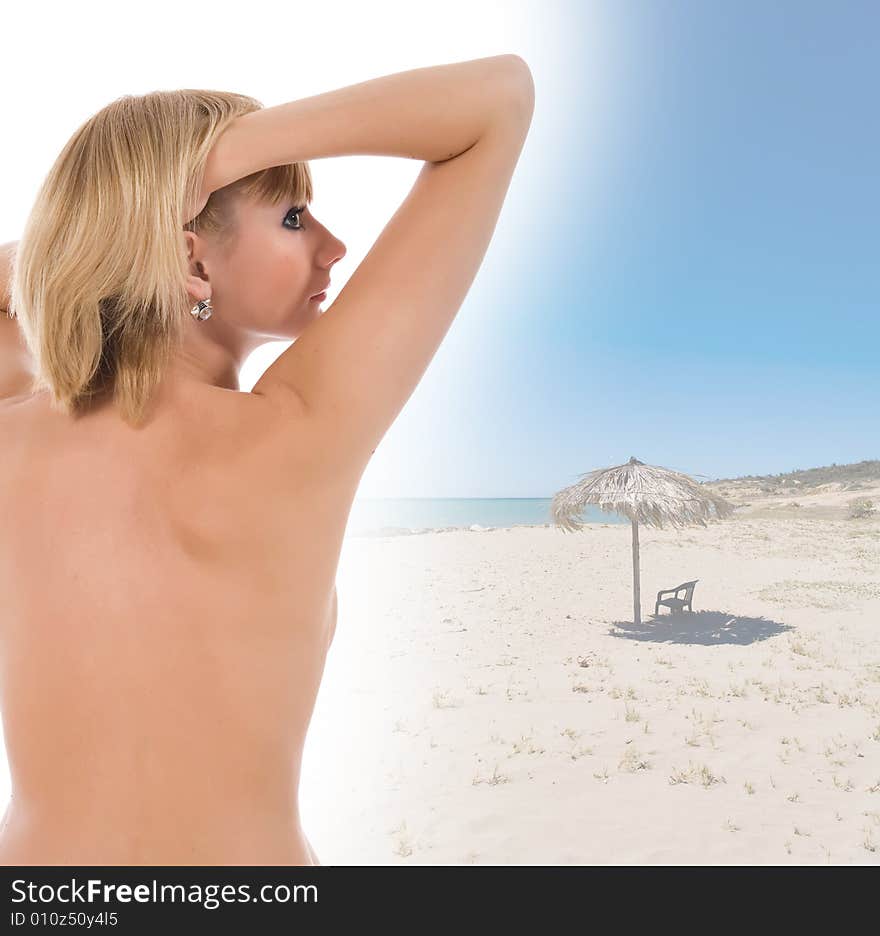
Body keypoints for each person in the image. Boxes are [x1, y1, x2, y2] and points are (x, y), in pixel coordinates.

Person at [0, 54, 534, 865]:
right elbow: (499, 100)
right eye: (293, 218)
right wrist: (230, 151)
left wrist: (103, 222)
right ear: (192, 261)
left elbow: (17, 285)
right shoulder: (300, 431)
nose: (334, 245)